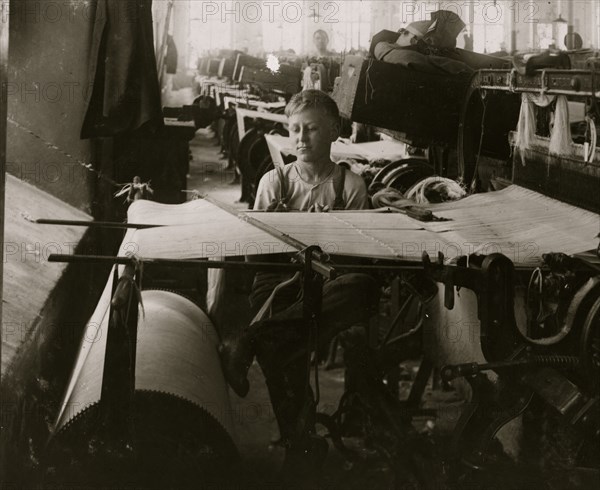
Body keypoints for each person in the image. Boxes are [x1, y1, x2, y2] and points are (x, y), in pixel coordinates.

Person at [219, 89, 379, 475]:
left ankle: (251, 339)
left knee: (361, 287)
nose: (301, 139)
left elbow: (363, 257)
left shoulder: (351, 187)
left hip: (331, 284)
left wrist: (336, 233)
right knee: (284, 345)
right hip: (280, 279)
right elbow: (254, 257)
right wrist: (273, 228)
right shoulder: (275, 183)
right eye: (294, 129)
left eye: (311, 129)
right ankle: (301, 440)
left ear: (333, 132)